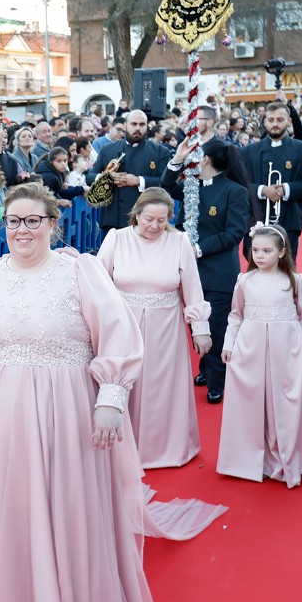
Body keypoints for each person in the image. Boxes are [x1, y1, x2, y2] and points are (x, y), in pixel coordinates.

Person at [0, 181, 226, 602]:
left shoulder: (80, 271)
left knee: (66, 504)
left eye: (33, 221)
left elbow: (118, 335)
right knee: (9, 506)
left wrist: (110, 399)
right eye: (13, 221)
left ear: (52, 224)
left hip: (67, 407)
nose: (22, 230)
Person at [96, 189, 212, 468]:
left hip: (166, 326)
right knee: (126, 383)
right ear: (136, 214)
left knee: (162, 387)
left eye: (162, 220)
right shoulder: (117, 238)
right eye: (149, 219)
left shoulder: (179, 241)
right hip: (124, 325)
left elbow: (192, 286)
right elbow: (98, 282)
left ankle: (165, 448)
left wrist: (200, 327)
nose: (155, 226)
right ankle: (122, 448)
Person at [219, 224, 302, 488]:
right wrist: (228, 344)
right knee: (252, 403)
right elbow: (236, 315)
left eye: (266, 251)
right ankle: (251, 460)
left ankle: (287, 456)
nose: (259, 255)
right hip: (250, 350)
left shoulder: (294, 280)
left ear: (281, 252)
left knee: (285, 403)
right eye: (255, 250)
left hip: (286, 351)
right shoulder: (244, 281)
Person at [161, 138, 251, 404]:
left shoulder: (234, 191)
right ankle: (206, 366)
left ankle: (217, 380)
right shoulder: (192, 186)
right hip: (190, 272)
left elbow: (234, 232)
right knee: (195, 324)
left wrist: (198, 249)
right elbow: (166, 186)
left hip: (218, 271)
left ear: (205, 159)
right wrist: (178, 158)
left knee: (214, 327)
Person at [241, 102, 302, 260]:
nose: (275, 124)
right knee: (255, 266)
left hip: (289, 218)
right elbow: (240, 184)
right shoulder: (247, 151)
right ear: (264, 122)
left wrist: (285, 189)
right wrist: (262, 190)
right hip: (255, 218)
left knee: (285, 267)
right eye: (271, 120)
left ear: (289, 121)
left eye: (280, 119)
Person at [87, 110, 174, 233]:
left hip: (146, 221)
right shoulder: (108, 149)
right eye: (134, 124)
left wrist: (138, 181)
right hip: (113, 219)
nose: (138, 128)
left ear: (147, 126)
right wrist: (108, 177)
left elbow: (165, 183)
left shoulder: (160, 152)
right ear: (126, 126)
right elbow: (90, 177)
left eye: (142, 124)